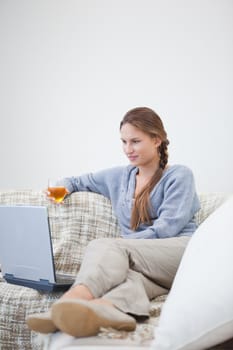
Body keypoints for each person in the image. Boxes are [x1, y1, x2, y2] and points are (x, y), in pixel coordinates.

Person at [26, 106, 200, 337]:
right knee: (130, 281)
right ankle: (102, 311)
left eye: (135, 141)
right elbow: (78, 180)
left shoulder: (179, 175)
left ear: (157, 139)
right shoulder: (119, 176)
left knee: (106, 245)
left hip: (183, 253)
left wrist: (120, 248)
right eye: (124, 142)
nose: (128, 149)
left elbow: (167, 229)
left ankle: (71, 300)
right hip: (149, 266)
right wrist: (63, 188)